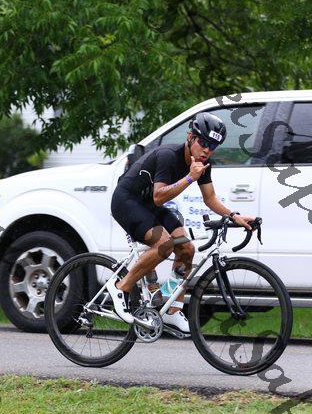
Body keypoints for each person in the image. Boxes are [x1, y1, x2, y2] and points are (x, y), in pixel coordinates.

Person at [108, 111, 256, 332]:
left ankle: (172, 309)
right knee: (164, 245)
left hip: (149, 205)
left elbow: (210, 198)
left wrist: (233, 216)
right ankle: (121, 287)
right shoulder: (169, 156)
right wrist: (189, 178)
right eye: (203, 143)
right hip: (127, 201)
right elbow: (159, 196)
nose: (206, 150)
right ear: (190, 138)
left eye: (212, 147)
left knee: (187, 249)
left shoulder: (203, 164)